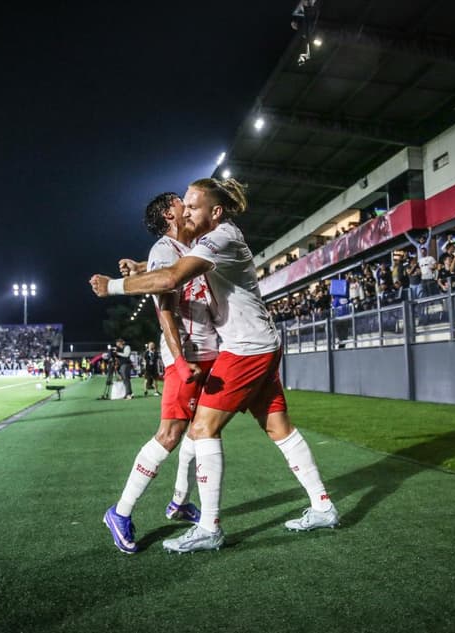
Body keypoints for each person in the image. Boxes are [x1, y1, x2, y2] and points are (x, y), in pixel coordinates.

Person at [90, 177, 338, 554]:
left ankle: (208, 527)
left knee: (202, 429)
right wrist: (142, 266)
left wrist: (113, 287)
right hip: (259, 343)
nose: (187, 211)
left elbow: (173, 276)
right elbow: (175, 262)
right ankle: (323, 506)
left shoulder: (219, 238)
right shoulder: (213, 237)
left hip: (243, 349)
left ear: (215, 212)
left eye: (192, 205)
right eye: (182, 206)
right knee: (277, 426)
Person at [102, 192, 220, 554]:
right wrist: (180, 359)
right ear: (170, 213)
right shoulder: (165, 249)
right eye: (180, 200)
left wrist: (138, 266)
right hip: (187, 356)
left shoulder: (189, 245)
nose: (188, 202)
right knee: (170, 434)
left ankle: (181, 501)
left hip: (209, 351)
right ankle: (120, 512)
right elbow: (165, 310)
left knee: (201, 430)